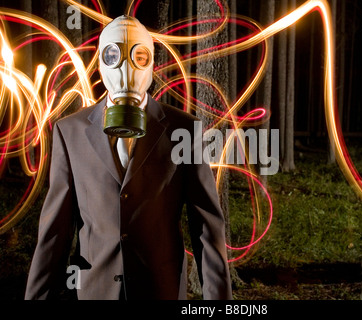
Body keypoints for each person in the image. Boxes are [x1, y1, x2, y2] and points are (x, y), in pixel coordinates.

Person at [25, 15, 232, 300]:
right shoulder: (69, 131)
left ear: (152, 65)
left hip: (160, 290)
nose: (126, 69)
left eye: (139, 56)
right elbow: (55, 234)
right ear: (100, 63)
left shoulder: (183, 129)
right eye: (113, 56)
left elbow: (207, 229)